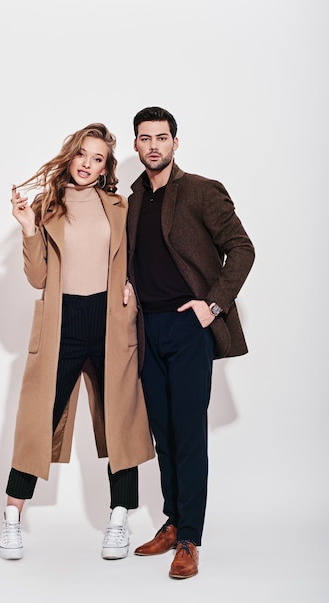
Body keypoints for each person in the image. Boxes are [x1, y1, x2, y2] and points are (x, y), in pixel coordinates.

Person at [0, 123, 154, 561]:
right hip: (61, 323)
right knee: (38, 419)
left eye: (98, 158)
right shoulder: (48, 206)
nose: (88, 163)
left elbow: (138, 258)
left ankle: (119, 519)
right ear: (71, 155)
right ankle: (11, 519)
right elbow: (38, 278)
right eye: (83, 154)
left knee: (119, 421)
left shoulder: (118, 207)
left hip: (109, 321)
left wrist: (132, 290)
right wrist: (28, 227)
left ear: (106, 169)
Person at [126, 106, 255, 579]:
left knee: (188, 433)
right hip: (146, 330)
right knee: (163, 433)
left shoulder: (202, 190)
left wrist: (212, 304)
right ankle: (172, 518)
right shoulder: (133, 198)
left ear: (175, 143)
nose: (154, 145)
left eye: (162, 137)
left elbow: (242, 248)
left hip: (187, 328)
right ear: (136, 145)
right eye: (145, 138)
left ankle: (190, 539)